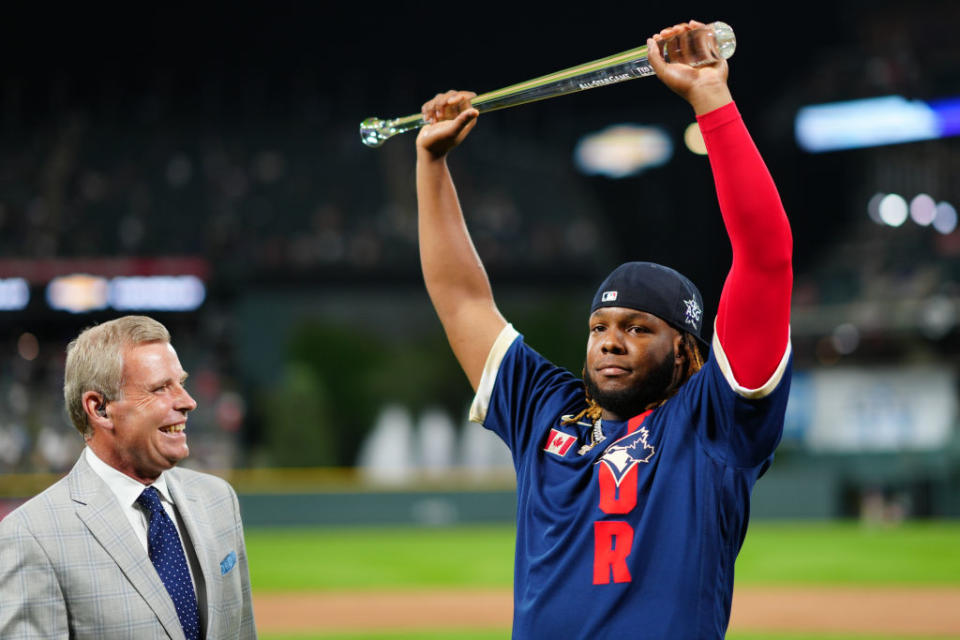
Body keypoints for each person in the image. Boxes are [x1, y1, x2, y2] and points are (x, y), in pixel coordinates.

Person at [415, 20, 792, 638]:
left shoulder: (715, 422)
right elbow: (461, 299)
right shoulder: (547, 410)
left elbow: (766, 258)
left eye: (640, 329)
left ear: (687, 354)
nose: (611, 340)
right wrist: (432, 165)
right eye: (600, 326)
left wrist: (711, 99)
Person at [0, 316, 256, 640]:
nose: (188, 401)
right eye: (161, 388)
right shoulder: (30, 535)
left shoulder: (218, 499)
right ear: (100, 408)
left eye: (182, 382)